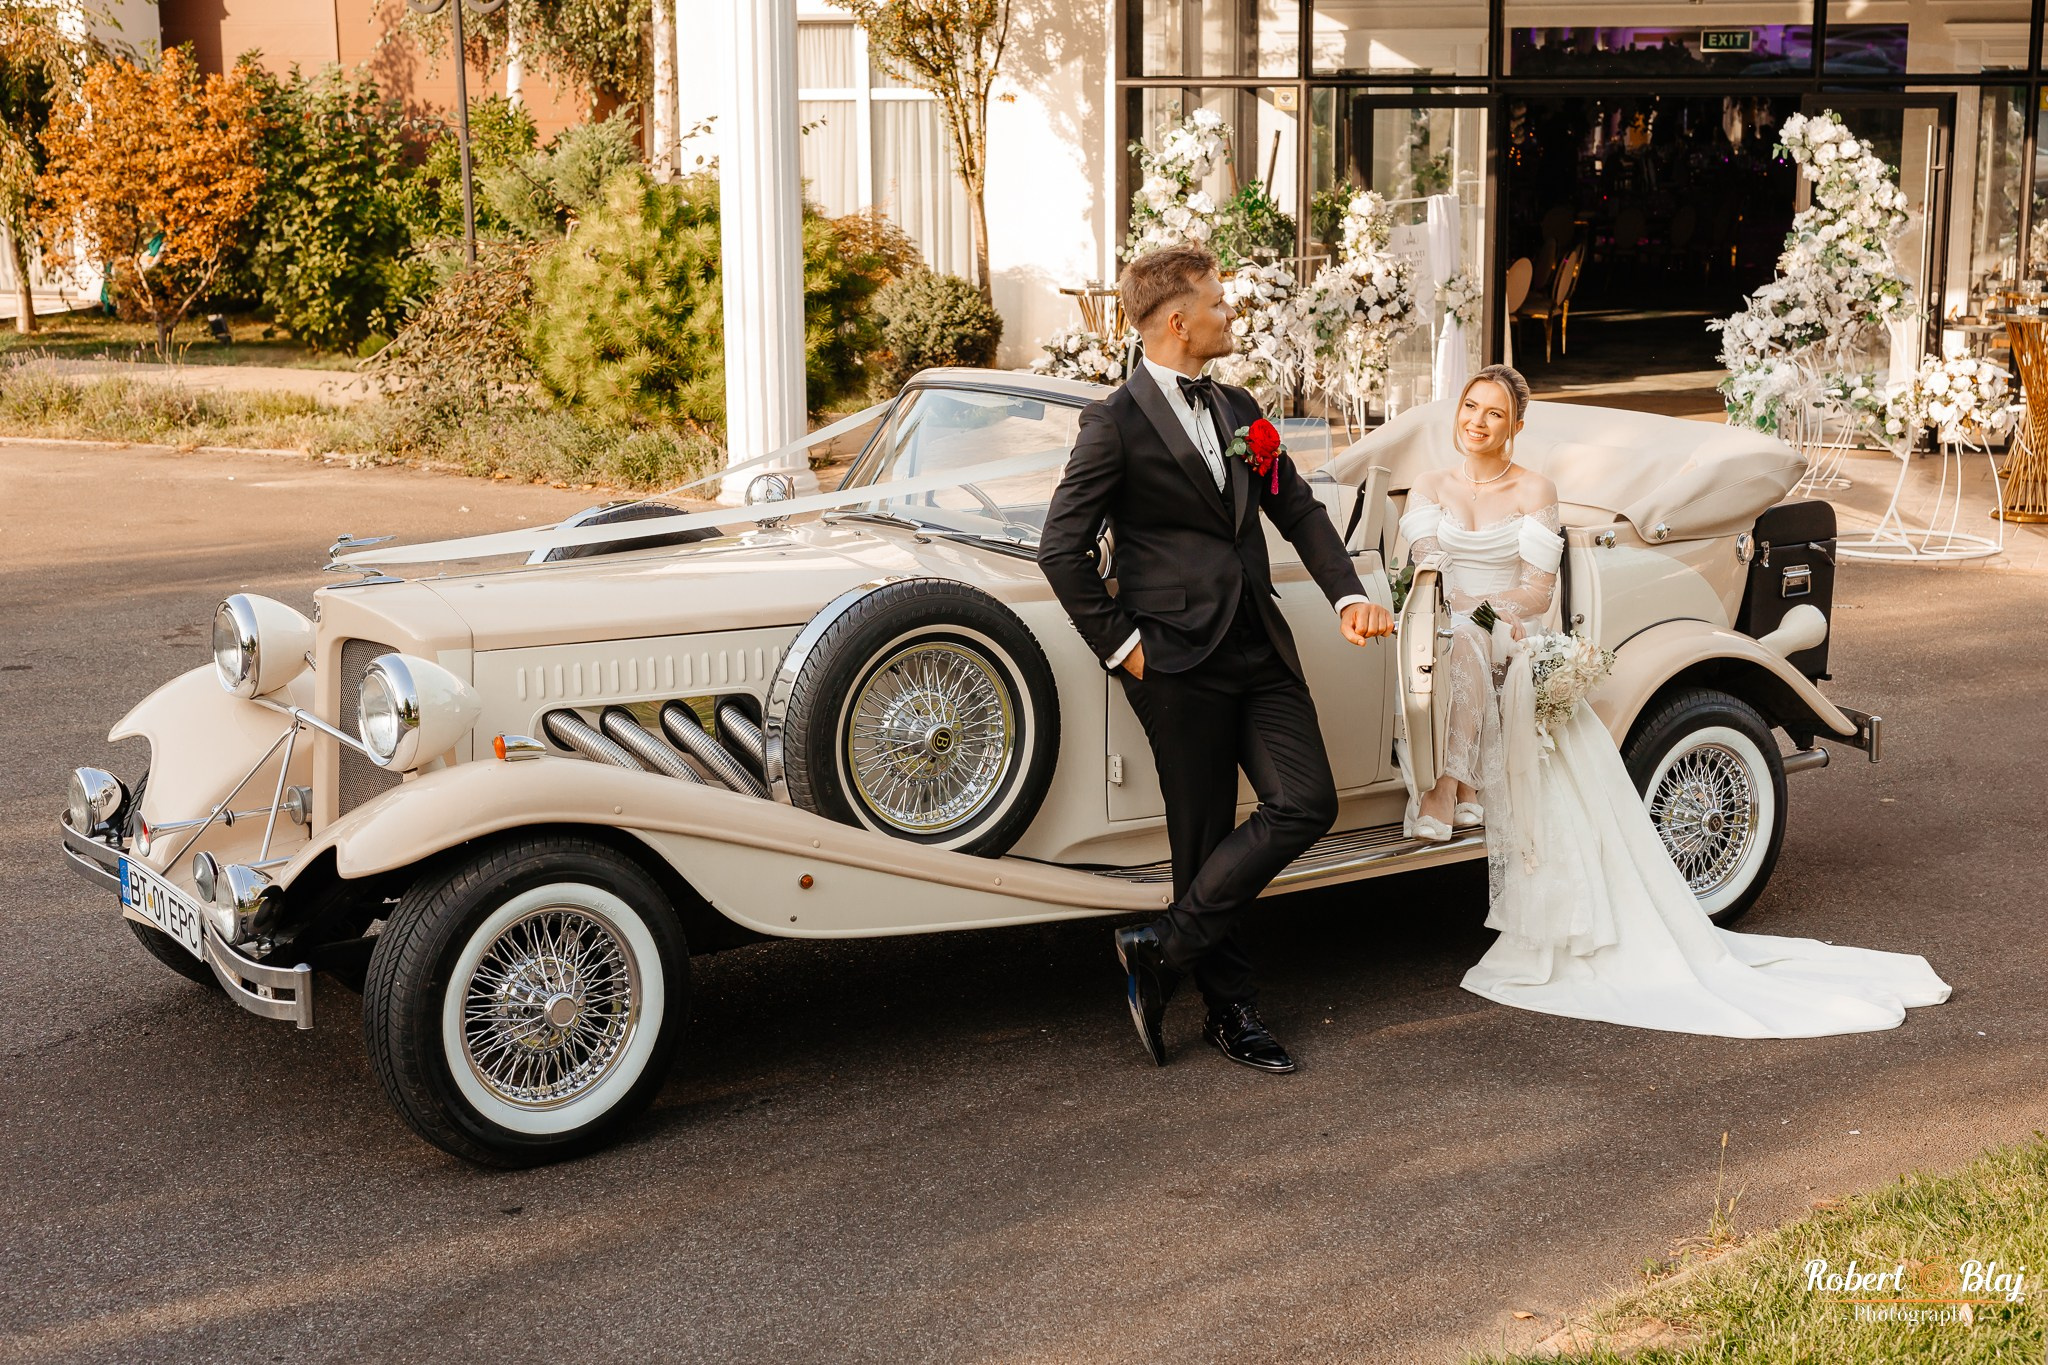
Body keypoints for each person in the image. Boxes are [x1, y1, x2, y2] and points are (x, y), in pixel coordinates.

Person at [1402, 365, 1951, 1036]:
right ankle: (1455, 788)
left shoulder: (1534, 490)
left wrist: (1482, 609)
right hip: (1441, 611)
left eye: (1493, 412)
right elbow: (1423, 562)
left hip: (1507, 620)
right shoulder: (1430, 486)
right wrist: (1449, 602)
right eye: (1469, 407)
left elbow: (1538, 591)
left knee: (1469, 636)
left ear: (1516, 427)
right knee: (1454, 633)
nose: (1476, 421)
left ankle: (1448, 788)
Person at [1038, 244, 1395, 1073]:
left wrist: (1347, 594)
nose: (1232, 315)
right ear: (1177, 320)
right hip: (1170, 659)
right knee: (1200, 835)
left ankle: (1160, 946)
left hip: (1258, 642)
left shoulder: (1239, 407)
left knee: (1306, 800)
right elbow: (1061, 549)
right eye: (1220, 304)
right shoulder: (1113, 422)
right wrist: (1125, 648)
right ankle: (1232, 1014)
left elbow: (1296, 508)